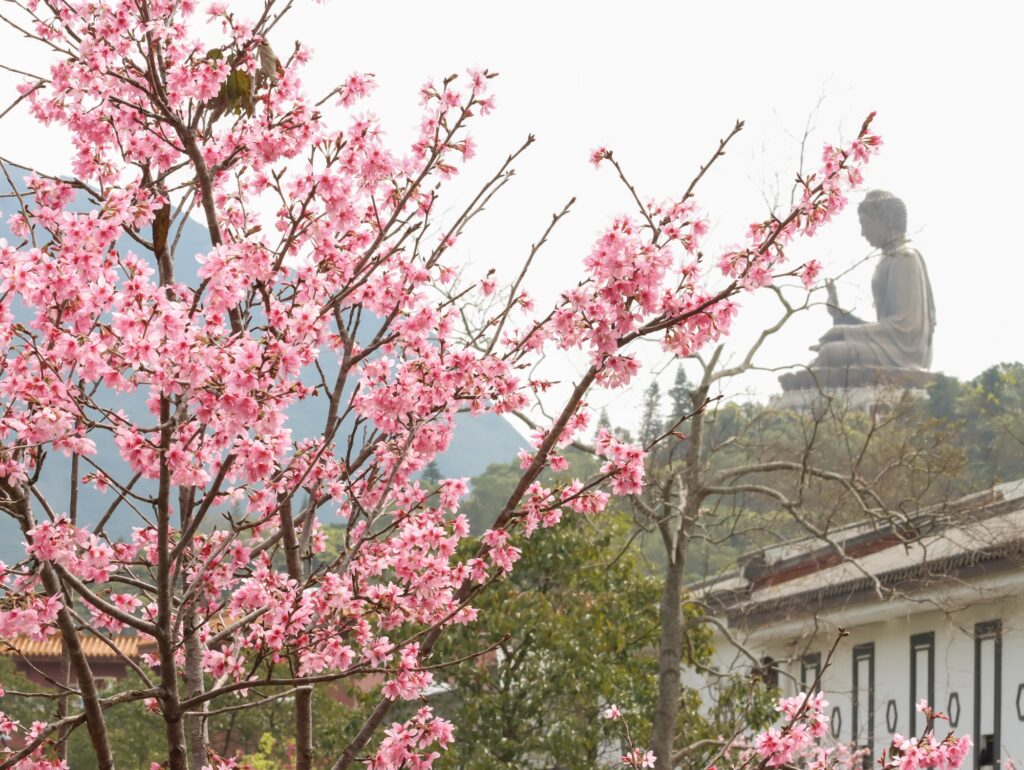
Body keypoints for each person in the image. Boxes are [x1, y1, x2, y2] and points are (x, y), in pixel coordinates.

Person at [811, 190, 935, 370]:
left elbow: (906, 330)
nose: (862, 232)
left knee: (832, 352)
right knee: (827, 355)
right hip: (889, 346)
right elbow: (885, 327)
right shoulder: (887, 258)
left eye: (865, 224)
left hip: (905, 354)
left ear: (886, 221)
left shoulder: (905, 258)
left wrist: (843, 331)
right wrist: (840, 316)